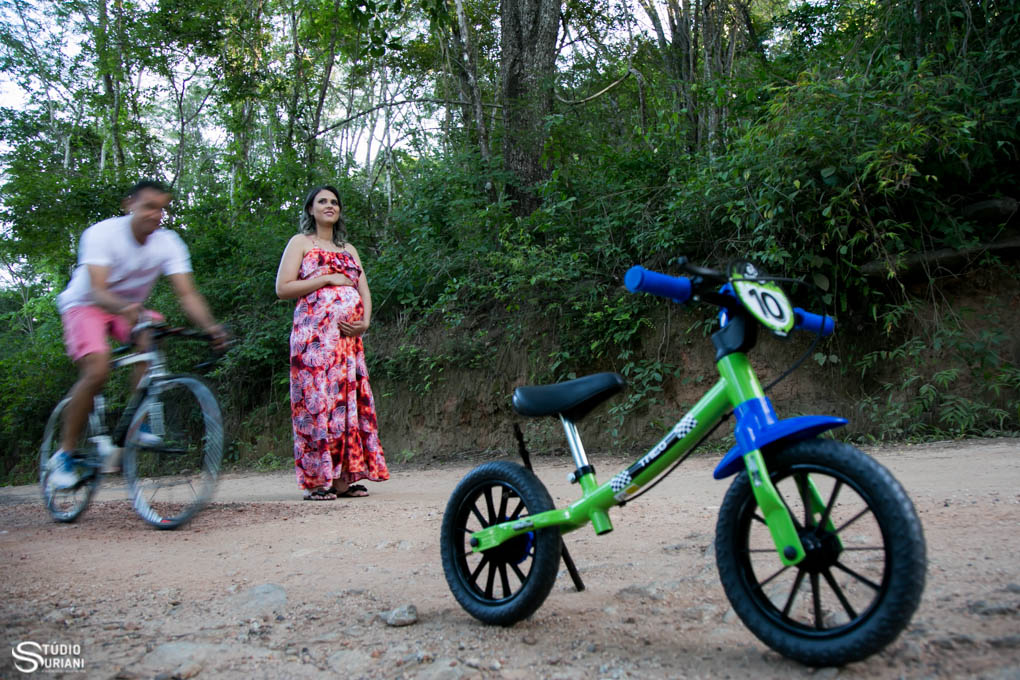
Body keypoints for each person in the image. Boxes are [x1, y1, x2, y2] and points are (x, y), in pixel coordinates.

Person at [47, 180, 228, 489]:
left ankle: (136, 424)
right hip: (85, 304)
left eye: (162, 208)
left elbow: (187, 295)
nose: (156, 214)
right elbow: (99, 291)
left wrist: (211, 327)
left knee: (151, 332)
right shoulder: (102, 235)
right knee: (98, 367)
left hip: (128, 309)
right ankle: (64, 454)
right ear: (129, 204)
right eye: (149, 206)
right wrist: (128, 309)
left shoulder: (168, 242)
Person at [275, 185, 389, 500]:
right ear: (310, 209)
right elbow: (283, 288)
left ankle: (343, 479)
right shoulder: (300, 243)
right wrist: (326, 278)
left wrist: (364, 321)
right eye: (322, 201)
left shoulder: (348, 249)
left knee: (347, 408)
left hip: (347, 344)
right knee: (316, 407)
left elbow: (363, 289)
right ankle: (316, 481)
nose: (329, 206)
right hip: (313, 343)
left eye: (334, 202)